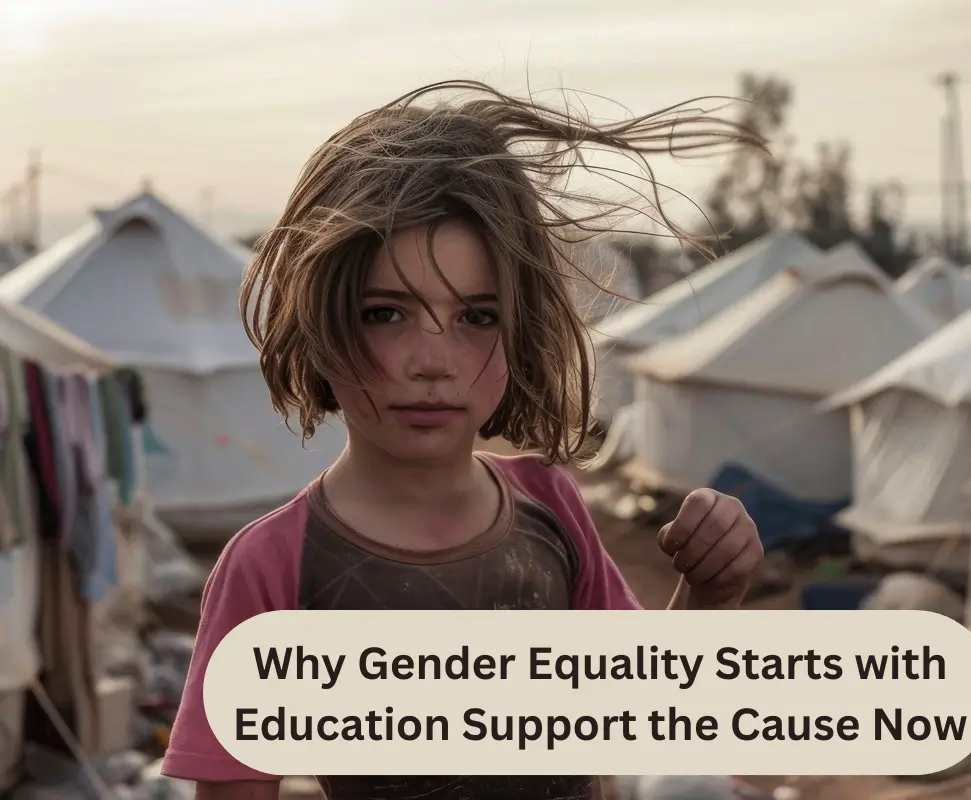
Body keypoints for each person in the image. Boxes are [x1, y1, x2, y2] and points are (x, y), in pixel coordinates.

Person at [161, 80, 766, 800]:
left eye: (476, 317)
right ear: (323, 325)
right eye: (387, 313)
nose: (433, 360)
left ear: (520, 330)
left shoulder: (551, 506)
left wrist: (710, 595)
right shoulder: (273, 567)